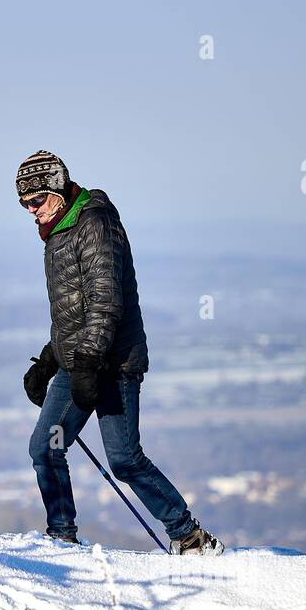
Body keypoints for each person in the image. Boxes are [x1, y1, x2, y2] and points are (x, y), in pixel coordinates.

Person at [17, 150, 224, 555]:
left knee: (125, 459)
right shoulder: (59, 231)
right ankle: (61, 538)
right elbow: (72, 310)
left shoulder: (93, 221)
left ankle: (190, 537)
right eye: (24, 204)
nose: (30, 211)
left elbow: (105, 300)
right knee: (46, 446)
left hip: (113, 364)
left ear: (57, 189)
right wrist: (50, 359)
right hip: (79, 363)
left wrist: (89, 363)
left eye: (36, 200)